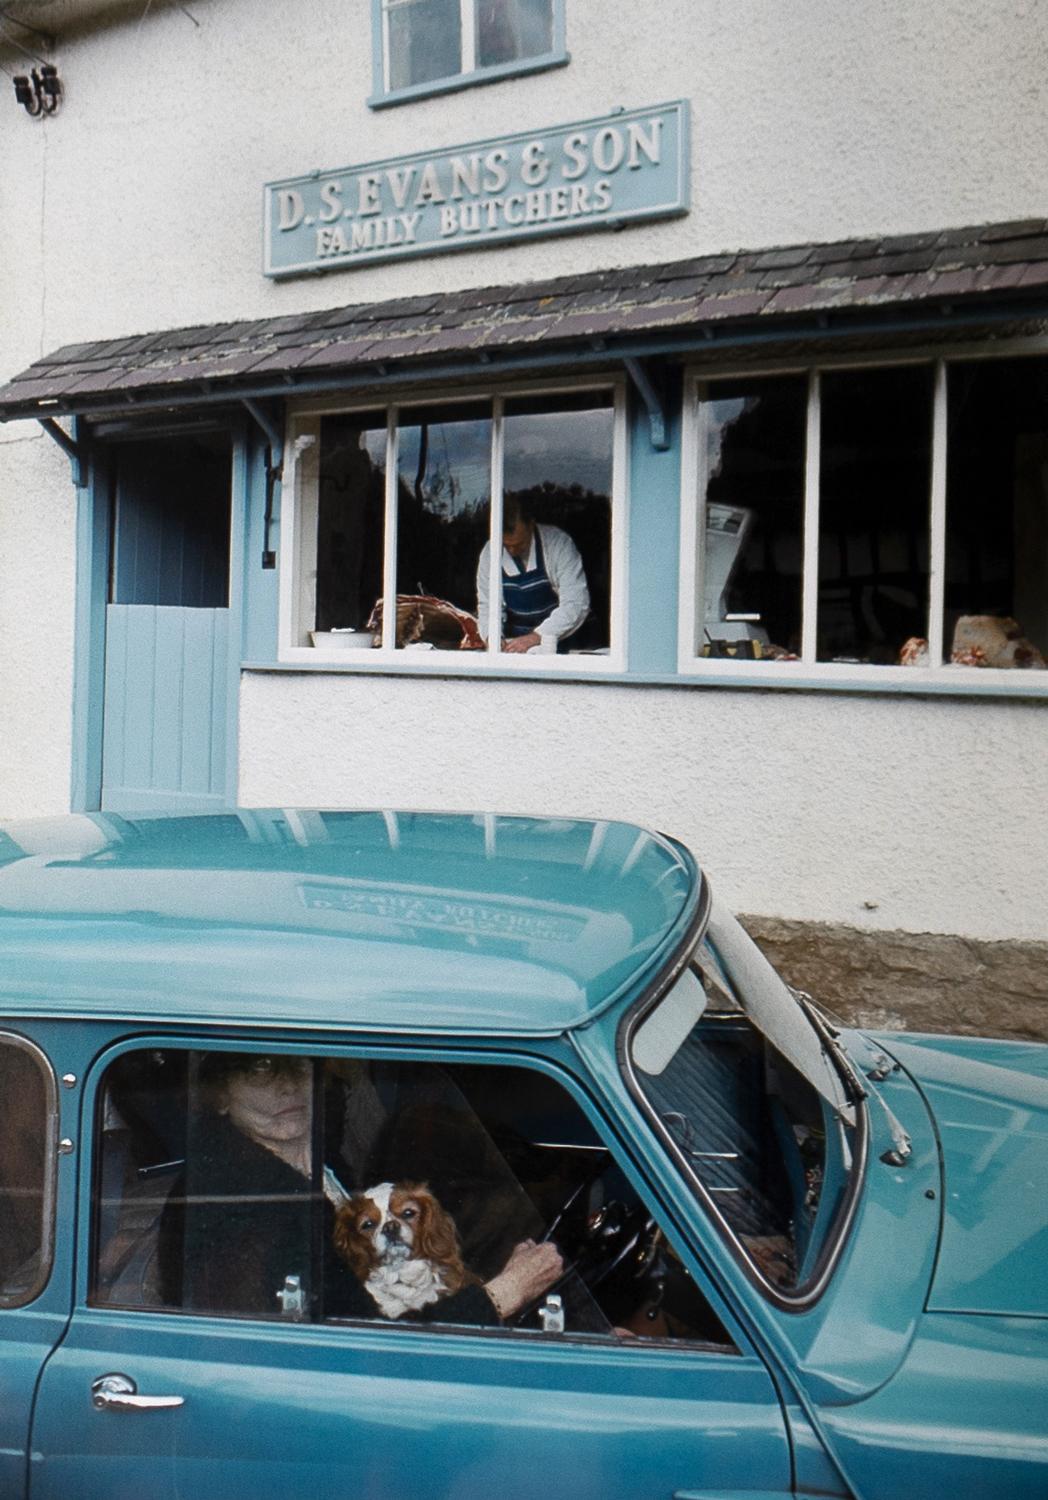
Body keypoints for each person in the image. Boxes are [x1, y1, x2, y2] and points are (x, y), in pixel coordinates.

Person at [158, 1053, 562, 1324]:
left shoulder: (320, 1166)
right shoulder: (243, 1202)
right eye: (260, 1070)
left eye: (298, 1064)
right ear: (220, 1095)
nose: (288, 1086)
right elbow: (363, 1347)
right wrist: (502, 1295)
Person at [476, 496, 589, 653]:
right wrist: (493, 638)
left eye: (519, 544)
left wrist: (535, 637)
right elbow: (488, 606)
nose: (513, 551)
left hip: (566, 642)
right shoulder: (490, 553)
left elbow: (575, 603)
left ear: (531, 524)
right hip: (517, 646)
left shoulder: (558, 544)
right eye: (507, 546)